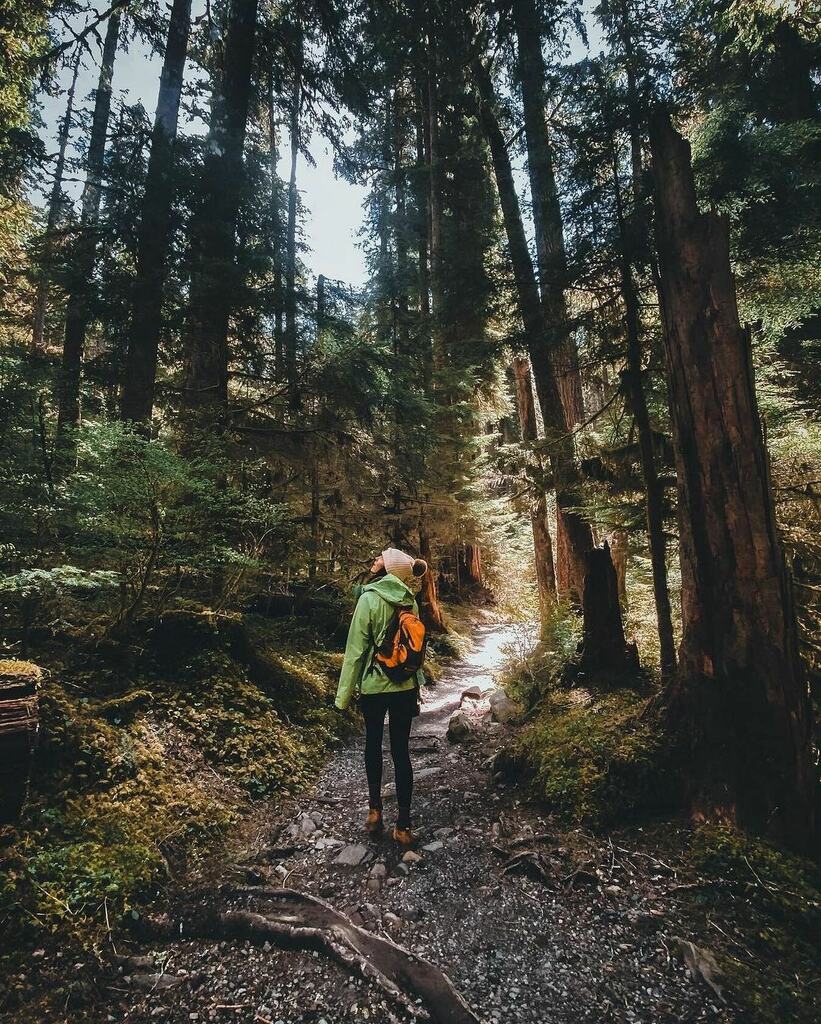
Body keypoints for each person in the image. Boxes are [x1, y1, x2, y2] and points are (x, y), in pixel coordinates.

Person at [335, 547, 429, 846]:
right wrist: (418, 683)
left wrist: (343, 696)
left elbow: (355, 651)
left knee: (373, 745)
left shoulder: (368, 599)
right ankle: (403, 825)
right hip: (404, 688)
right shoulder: (409, 602)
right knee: (401, 751)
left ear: (387, 568)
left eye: (380, 559)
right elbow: (413, 650)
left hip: (374, 687)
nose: (375, 560)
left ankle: (375, 811)